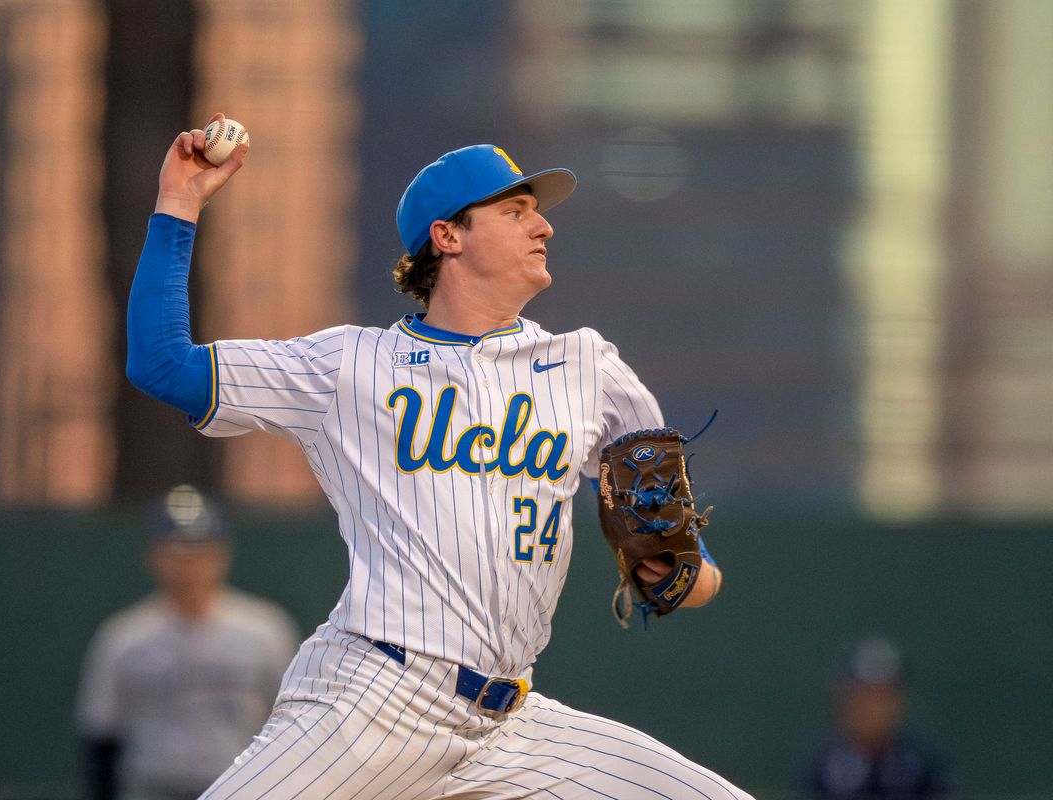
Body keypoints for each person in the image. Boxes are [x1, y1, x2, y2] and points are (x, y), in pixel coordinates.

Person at [125, 113, 753, 799]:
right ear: (447, 237)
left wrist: (684, 572)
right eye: (515, 211)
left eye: (537, 213)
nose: (543, 228)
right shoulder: (347, 367)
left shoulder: (589, 367)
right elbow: (162, 365)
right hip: (371, 702)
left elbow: (688, 565)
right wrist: (179, 203)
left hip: (510, 727)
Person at [76, 484, 301, 800]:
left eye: (199, 552)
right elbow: (102, 738)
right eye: (175, 553)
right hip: (153, 788)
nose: (188, 566)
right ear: (154, 557)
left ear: (221, 554)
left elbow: (290, 727)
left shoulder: (265, 632)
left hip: (238, 786)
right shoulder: (124, 637)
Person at [804, 637, 950, 799]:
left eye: (883, 696)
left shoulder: (921, 768)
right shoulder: (823, 769)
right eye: (865, 694)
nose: (873, 707)